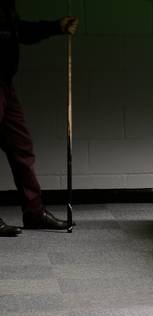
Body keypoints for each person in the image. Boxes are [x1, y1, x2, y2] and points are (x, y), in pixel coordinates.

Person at [0, 1, 78, 236]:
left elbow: (19, 31)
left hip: (5, 84)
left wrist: (56, 26)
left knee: (21, 147)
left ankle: (34, 213)